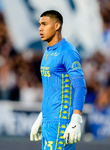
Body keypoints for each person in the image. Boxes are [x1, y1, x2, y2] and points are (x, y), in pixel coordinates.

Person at [30, 10, 87, 150]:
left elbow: (80, 87)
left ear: (56, 26)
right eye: (39, 24)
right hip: (49, 121)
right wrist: (43, 115)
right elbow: (52, 88)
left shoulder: (68, 52)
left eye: (44, 24)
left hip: (61, 122)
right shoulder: (48, 52)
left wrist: (75, 120)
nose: (40, 28)